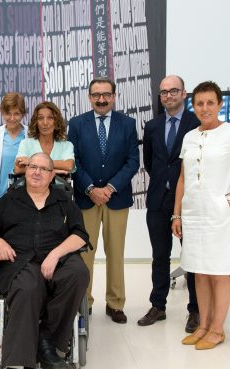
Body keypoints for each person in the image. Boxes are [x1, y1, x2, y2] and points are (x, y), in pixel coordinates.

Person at [0, 153, 89, 369]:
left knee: (79, 273)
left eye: (43, 169)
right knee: (29, 287)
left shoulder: (63, 202)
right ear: (25, 171)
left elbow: (80, 235)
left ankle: (47, 339)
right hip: (19, 261)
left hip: (56, 259)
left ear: (52, 176)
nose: (36, 172)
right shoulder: (9, 201)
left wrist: (55, 254)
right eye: (32, 167)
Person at [172, 81, 230, 350]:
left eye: (210, 103)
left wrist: (227, 201)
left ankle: (217, 330)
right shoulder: (190, 137)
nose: (204, 108)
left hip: (220, 216)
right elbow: (183, 178)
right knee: (199, 272)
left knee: (219, 273)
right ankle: (203, 326)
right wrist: (177, 214)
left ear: (220, 104)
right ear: (192, 106)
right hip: (193, 215)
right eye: (199, 103)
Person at [68, 77, 140, 324]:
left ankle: (115, 303)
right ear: (89, 97)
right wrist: (90, 188)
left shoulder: (128, 124)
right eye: (96, 94)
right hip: (85, 199)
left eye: (106, 94)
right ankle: (83, 302)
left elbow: (133, 161)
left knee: (116, 253)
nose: (101, 99)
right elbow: (72, 160)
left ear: (114, 96)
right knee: (84, 254)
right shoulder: (76, 124)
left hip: (117, 198)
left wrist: (109, 188)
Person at [139, 75, 201, 333]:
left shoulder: (197, 123)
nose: (168, 96)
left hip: (189, 202)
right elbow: (152, 163)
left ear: (184, 94)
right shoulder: (152, 126)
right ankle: (158, 306)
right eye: (163, 92)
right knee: (159, 256)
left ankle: (195, 310)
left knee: (193, 257)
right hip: (158, 200)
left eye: (174, 91)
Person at [0, 92, 28, 203]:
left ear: (23, 114)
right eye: (8, 113)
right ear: (2, 112)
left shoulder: (30, 135)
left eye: (17, 114)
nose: (12, 118)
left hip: (25, 197)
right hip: (0, 196)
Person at [14, 101, 74, 175]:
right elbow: (18, 169)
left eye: (50, 118)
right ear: (36, 122)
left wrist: (31, 162)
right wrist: (54, 171)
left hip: (58, 186)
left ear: (56, 122)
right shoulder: (26, 144)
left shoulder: (66, 145)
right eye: (40, 118)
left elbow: (69, 165)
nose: (45, 122)